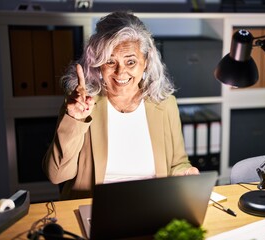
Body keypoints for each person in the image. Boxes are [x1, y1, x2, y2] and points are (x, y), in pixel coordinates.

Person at [43, 11, 199, 200]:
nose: (120, 72)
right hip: (94, 206)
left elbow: (178, 163)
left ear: (146, 63)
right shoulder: (80, 103)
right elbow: (57, 175)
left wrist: (185, 173)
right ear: (98, 64)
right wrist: (75, 119)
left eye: (130, 61)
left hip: (152, 203)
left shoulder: (165, 104)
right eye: (110, 61)